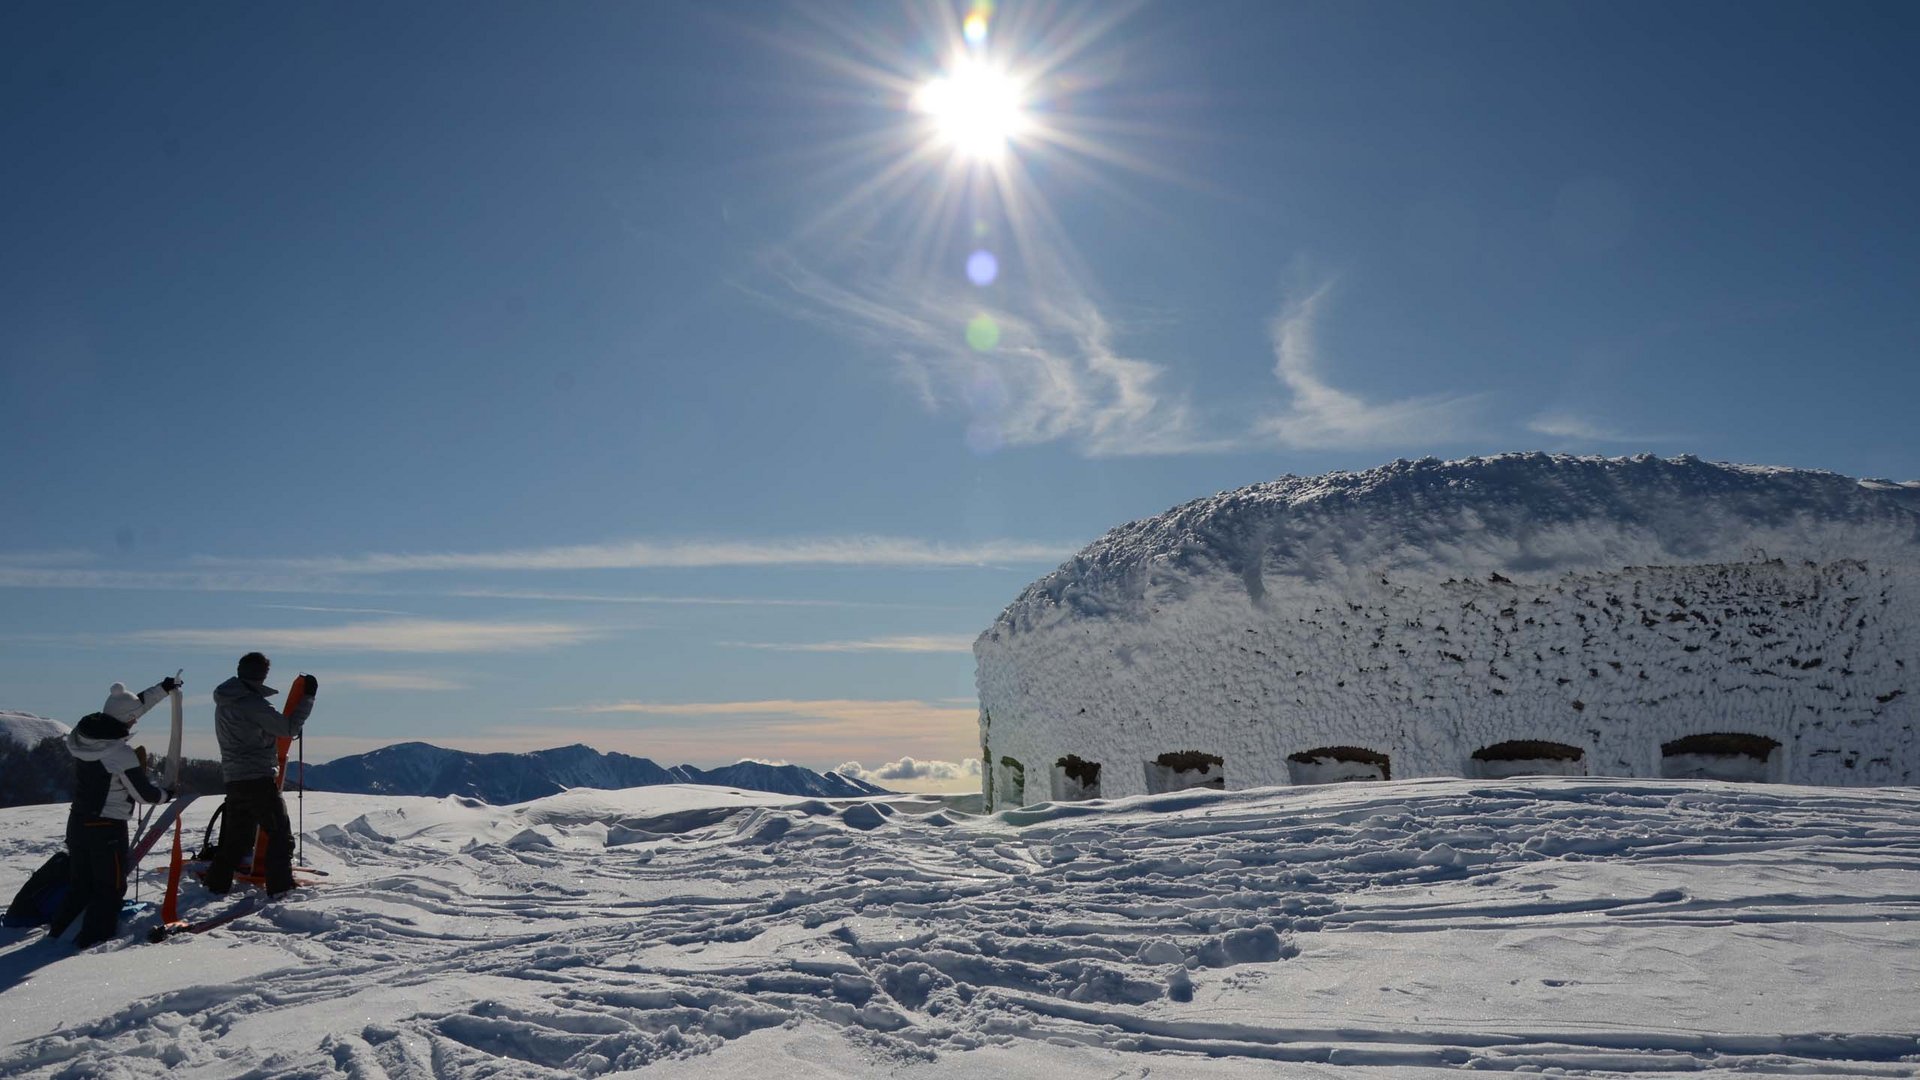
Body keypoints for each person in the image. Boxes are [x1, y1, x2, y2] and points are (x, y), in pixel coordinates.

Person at [48, 676, 178, 947]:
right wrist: (166, 794)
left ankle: (59, 931)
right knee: (111, 887)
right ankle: (94, 939)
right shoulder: (119, 753)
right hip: (106, 828)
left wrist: (162, 690)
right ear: (124, 718)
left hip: (79, 822)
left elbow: (132, 708)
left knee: (81, 883)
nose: (135, 722)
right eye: (132, 719)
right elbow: (143, 794)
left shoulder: (83, 736)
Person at [201, 652, 316, 898]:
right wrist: (307, 700)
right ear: (262, 675)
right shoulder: (252, 703)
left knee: (236, 839)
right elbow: (288, 728)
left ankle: (215, 885)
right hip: (258, 778)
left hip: (234, 778)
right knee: (280, 836)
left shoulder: (225, 699)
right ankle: (281, 889)